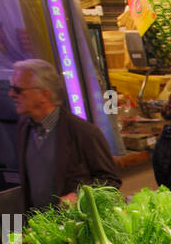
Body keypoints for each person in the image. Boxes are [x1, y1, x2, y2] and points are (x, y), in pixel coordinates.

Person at [10, 59, 119, 212]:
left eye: (18, 90)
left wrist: (78, 196)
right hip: (40, 227)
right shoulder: (23, 128)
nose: (11, 94)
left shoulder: (83, 132)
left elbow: (110, 181)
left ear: (44, 94)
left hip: (75, 227)